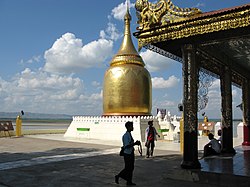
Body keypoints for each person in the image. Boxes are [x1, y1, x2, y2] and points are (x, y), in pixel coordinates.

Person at [115, 121, 140, 186]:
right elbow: (126, 146)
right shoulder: (125, 136)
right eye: (131, 126)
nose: (132, 127)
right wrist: (135, 144)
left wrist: (135, 143)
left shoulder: (129, 134)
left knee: (131, 168)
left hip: (131, 153)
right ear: (128, 127)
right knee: (128, 168)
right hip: (127, 154)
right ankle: (118, 176)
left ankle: (129, 181)